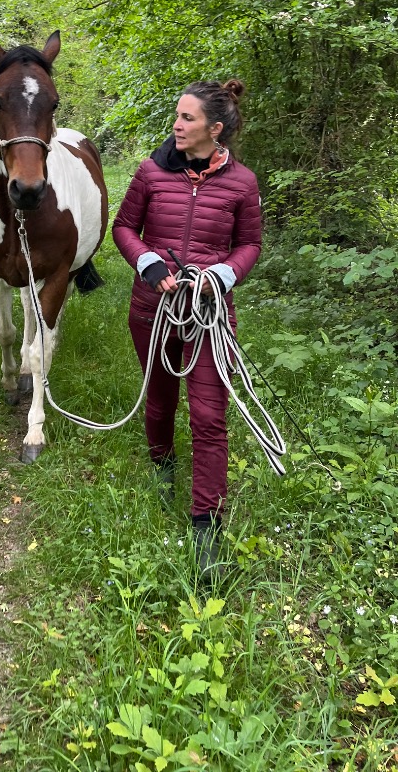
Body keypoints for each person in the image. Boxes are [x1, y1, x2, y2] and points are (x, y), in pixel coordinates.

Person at [112, 79, 262, 577]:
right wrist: (149, 263)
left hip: (210, 317)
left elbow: (250, 245)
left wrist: (221, 275)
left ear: (214, 129)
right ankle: (162, 467)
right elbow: (123, 228)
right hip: (153, 310)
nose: (176, 125)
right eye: (177, 116)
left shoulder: (242, 183)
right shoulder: (151, 172)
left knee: (209, 417)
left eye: (187, 118)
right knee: (159, 399)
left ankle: (207, 525)